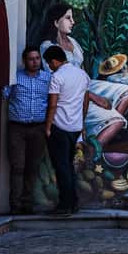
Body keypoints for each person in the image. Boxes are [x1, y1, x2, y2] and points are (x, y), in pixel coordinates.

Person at [3, 46, 51, 214]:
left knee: (33, 167)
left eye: (37, 58)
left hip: (38, 128)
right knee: (17, 167)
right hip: (17, 128)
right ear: (24, 61)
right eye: (31, 59)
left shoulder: (47, 78)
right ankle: (15, 206)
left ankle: (27, 204)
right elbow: (4, 94)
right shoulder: (15, 78)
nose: (35, 62)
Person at [43, 45, 90, 215]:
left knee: (61, 166)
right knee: (69, 166)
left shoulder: (57, 77)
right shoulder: (82, 75)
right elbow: (85, 102)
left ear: (55, 61)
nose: (50, 67)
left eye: (49, 63)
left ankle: (65, 205)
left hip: (59, 127)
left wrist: (48, 127)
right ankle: (74, 202)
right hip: (75, 127)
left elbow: (53, 104)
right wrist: (82, 123)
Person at [40, 4, 84, 71]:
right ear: (56, 23)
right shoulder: (47, 46)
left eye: (72, 18)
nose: (73, 22)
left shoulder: (73, 41)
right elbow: (51, 72)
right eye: (68, 18)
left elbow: (82, 67)